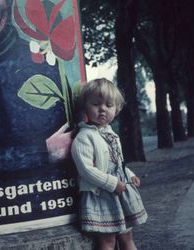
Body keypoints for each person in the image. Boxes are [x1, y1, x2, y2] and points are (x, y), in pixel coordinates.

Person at [71, 78, 147, 250]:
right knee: (108, 241)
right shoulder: (84, 137)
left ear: (117, 109)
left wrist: (130, 175)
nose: (103, 109)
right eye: (96, 104)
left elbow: (117, 162)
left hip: (120, 194)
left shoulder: (110, 134)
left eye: (109, 105)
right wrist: (112, 183)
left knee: (127, 236)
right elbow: (86, 170)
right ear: (85, 107)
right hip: (101, 196)